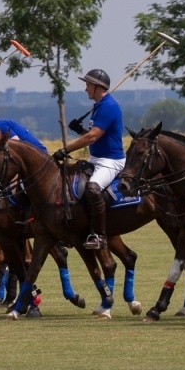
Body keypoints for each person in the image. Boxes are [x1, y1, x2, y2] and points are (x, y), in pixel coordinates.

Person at [56, 69, 125, 250]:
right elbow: (95, 136)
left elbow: (93, 137)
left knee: (93, 189)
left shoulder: (109, 106)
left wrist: (65, 150)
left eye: (88, 84)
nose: (86, 88)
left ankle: (99, 236)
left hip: (111, 161)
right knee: (70, 186)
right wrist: (79, 130)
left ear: (97, 86)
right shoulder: (99, 106)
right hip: (96, 159)